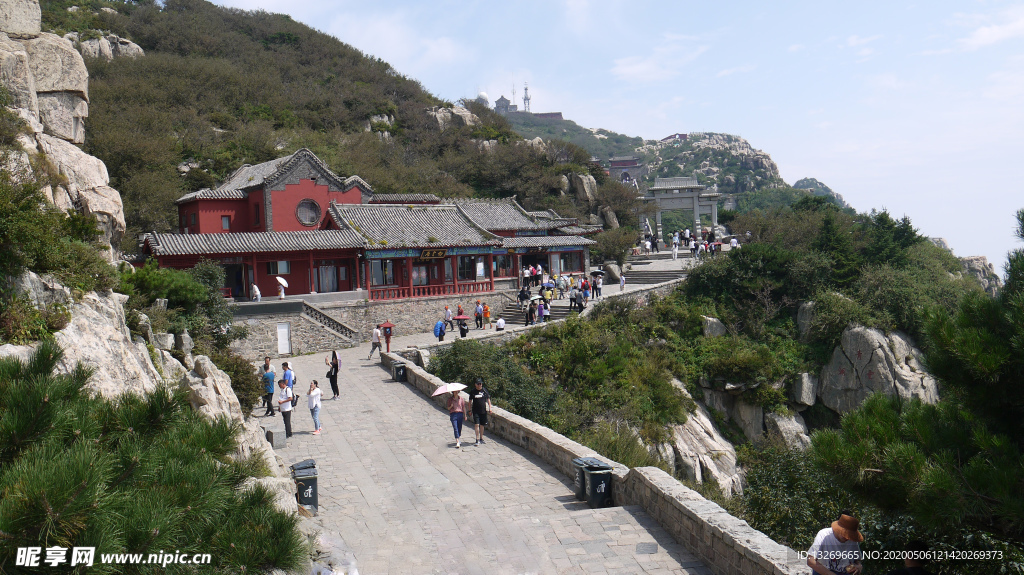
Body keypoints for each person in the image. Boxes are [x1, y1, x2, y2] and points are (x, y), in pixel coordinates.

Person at [466, 377, 493, 445]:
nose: (480, 385)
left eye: (480, 384)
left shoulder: (484, 390)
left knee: (482, 425)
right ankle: (477, 439)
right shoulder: (473, 391)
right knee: (476, 424)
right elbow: (470, 402)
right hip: (476, 411)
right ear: (475, 384)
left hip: (483, 411)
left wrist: (490, 408)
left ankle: (481, 438)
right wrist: (469, 410)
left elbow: (488, 399)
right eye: (478, 384)